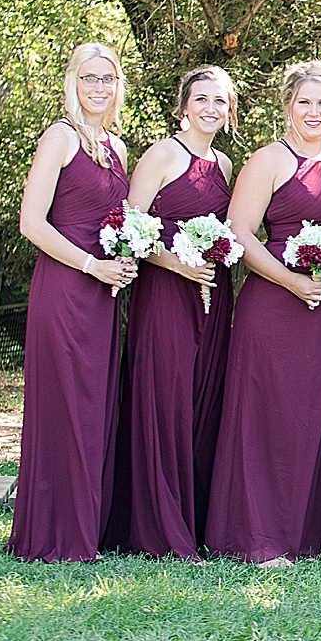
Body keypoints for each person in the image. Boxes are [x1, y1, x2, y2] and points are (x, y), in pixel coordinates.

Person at [205, 59, 321, 564]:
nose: (313, 111)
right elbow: (239, 233)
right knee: (269, 417)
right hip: (274, 302)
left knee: (318, 414)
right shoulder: (269, 159)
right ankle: (258, 536)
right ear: (287, 106)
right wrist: (291, 279)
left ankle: (311, 530)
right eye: (303, 102)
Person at [7, 42, 138, 563]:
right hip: (64, 289)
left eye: (108, 78)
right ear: (73, 83)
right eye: (90, 78)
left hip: (103, 293)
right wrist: (90, 265)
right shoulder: (60, 137)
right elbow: (32, 223)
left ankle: (88, 528)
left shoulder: (118, 148)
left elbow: (119, 220)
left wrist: (125, 256)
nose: (100, 88)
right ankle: (54, 535)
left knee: (93, 407)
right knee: (62, 405)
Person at [112, 64, 239, 558]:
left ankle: (194, 519)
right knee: (164, 400)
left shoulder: (226, 166)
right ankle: (157, 528)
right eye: (202, 99)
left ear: (229, 112)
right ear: (184, 106)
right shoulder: (164, 154)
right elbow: (127, 227)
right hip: (166, 293)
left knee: (202, 401)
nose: (211, 108)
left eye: (220, 101)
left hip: (213, 294)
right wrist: (177, 265)